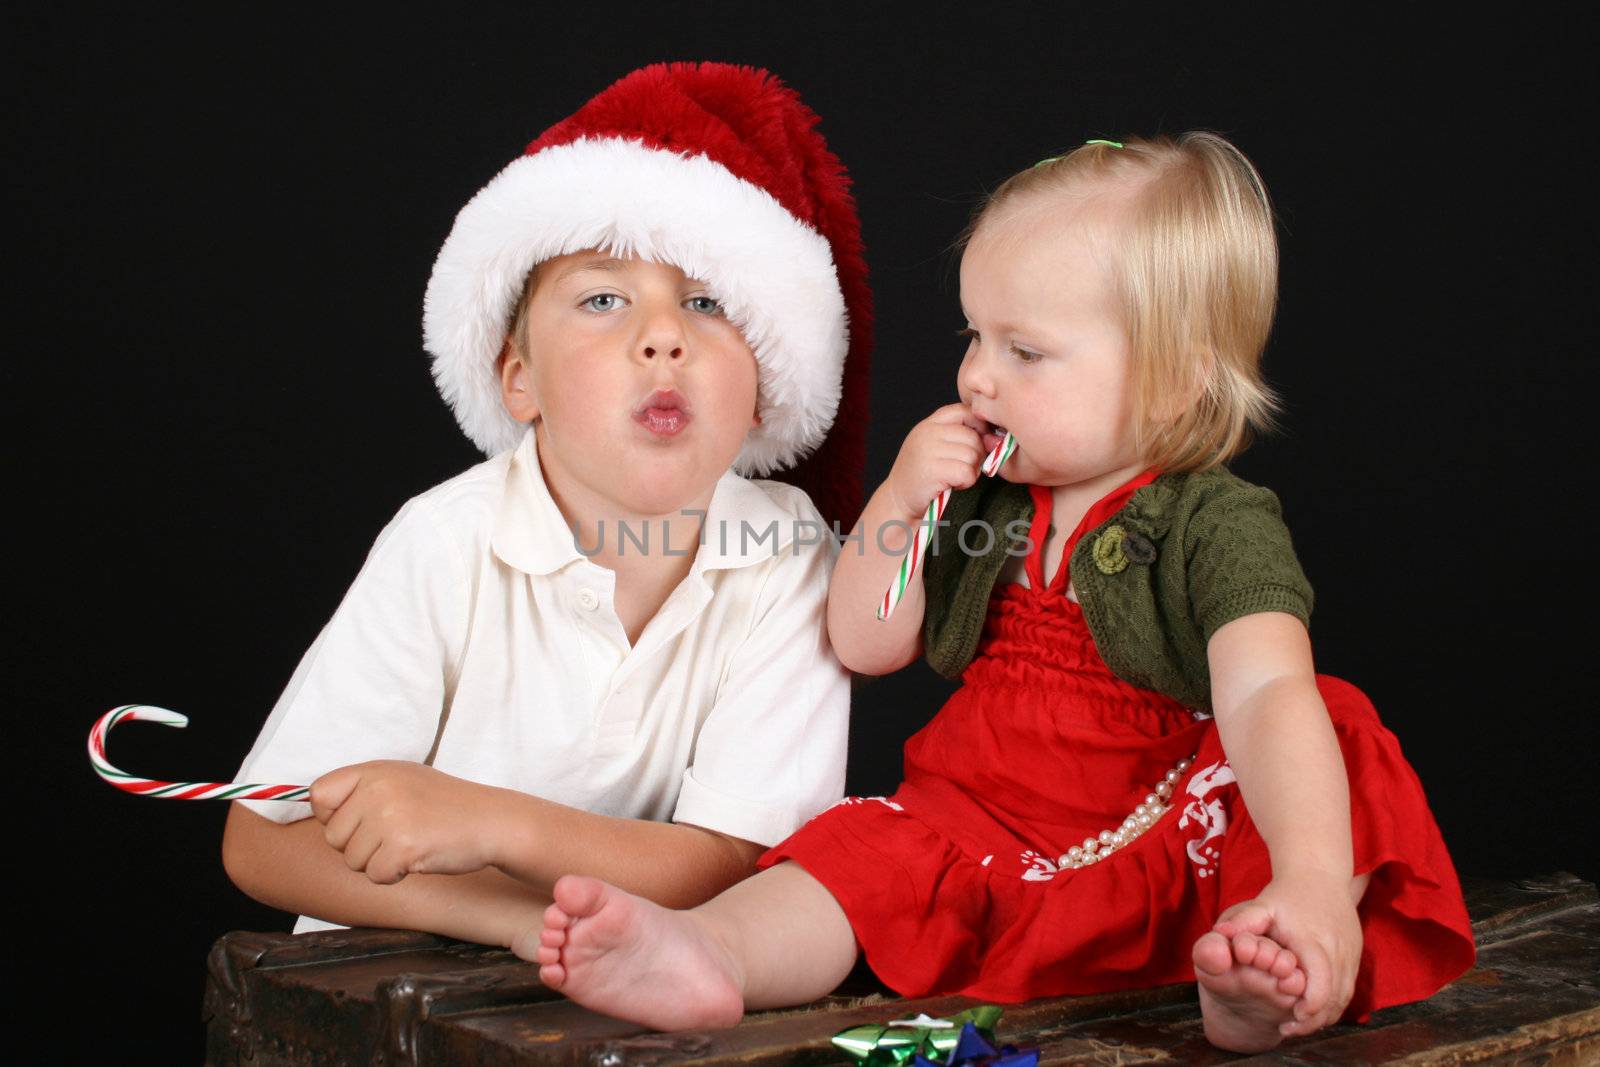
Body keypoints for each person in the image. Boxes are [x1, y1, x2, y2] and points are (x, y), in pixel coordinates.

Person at [523, 133, 1476, 1053]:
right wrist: (901, 498)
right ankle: (713, 952)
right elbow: (866, 642)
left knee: (1329, 730)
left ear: (1173, 383)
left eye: (1025, 352)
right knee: (860, 849)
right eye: (975, 335)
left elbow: (1265, 690)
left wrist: (1308, 873)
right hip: (980, 819)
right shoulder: (984, 496)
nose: (976, 374)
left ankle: (1282, 949)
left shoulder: (1213, 521)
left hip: (1157, 828)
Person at [220, 62, 873, 950]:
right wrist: (511, 919)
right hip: (384, 989)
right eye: (603, 299)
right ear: (518, 380)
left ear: (765, 387)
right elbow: (263, 839)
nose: (663, 335)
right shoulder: (446, 541)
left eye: (708, 302)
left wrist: (496, 824)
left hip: (618, 1000)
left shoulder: (786, 548)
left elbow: (733, 861)